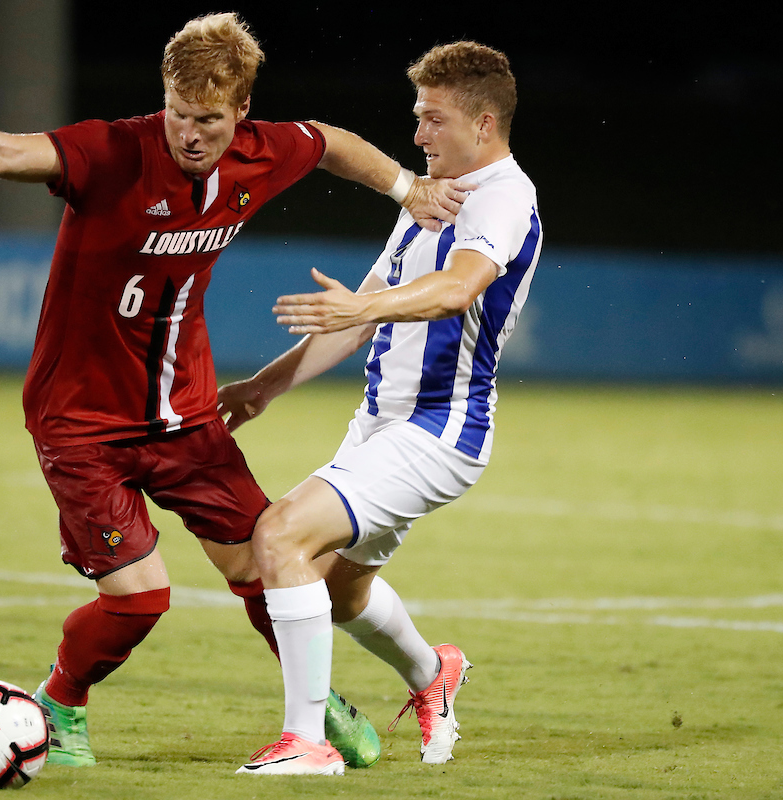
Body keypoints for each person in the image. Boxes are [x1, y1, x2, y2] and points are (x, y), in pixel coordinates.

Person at [0, 13, 469, 769]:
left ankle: (313, 710)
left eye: (210, 122)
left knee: (266, 561)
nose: (191, 136)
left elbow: (330, 141)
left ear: (241, 114)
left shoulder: (263, 151)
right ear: (164, 98)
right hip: (81, 421)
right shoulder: (112, 151)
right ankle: (60, 702)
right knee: (138, 599)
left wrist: (406, 187)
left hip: (187, 416)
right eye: (179, 115)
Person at [219, 40, 542, 775]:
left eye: (432, 119)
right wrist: (262, 389)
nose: (419, 135)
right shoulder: (436, 194)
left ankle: (306, 742)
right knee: (333, 592)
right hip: (380, 425)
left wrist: (364, 305)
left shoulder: (502, 195)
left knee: (280, 537)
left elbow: (457, 289)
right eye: (417, 117)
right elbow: (362, 316)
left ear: (484, 124)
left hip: (439, 429)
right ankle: (434, 674)